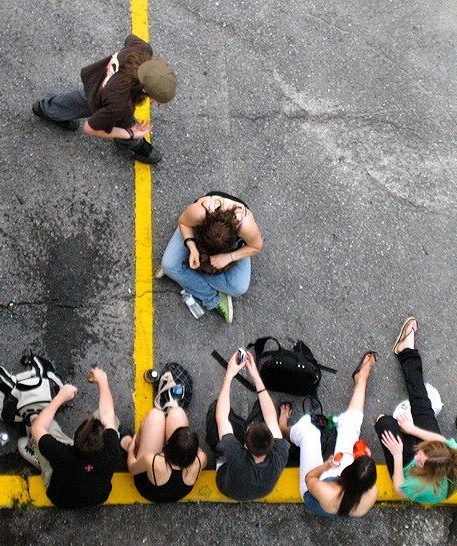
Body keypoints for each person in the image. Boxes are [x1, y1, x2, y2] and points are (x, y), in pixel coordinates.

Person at [32, 34, 176, 164]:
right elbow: (90, 128)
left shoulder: (143, 49)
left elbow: (129, 38)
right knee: (125, 123)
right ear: (144, 89)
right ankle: (131, 145)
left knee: (80, 100)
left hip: (97, 80)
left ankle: (46, 108)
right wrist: (131, 133)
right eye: (157, 99)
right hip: (106, 98)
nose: (158, 104)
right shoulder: (121, 105)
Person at [375, 317, 457, 505]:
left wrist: (398, 454)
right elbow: (442, 441)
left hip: (403, 462)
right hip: (426, 451)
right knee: (422, 404)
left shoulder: (425, 487)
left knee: (385, 423)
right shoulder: (452, 455)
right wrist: (412, 429)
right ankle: (407, 351)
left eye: (421, 460)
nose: (418, 455)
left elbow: (399, 490)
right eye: (422, 452)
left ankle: (388, 425)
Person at [281, 352, 379, 518]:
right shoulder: (371, 493)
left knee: (308, 432)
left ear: (345, 472)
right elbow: (357, 477)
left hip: (314, 490)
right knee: (351, 425)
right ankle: (361, 380)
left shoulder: (328, 493)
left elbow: (309, 478)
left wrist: (327, 465)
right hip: (343, 486)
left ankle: (284, 429)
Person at [159, 192, 263, 324]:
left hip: (225, 243)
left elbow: (255, 247)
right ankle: (212, 298)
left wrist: (229, 256)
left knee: (239, 288)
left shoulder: (246, 226)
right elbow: (184, 223)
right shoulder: (198, 213)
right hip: (196, 228)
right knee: (169, 265)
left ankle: (182, 270)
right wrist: (192, 246)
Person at [23, 367, 120, 509]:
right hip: (98, 497)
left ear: (75, 437)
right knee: (113, 420)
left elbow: (37, 428)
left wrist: (60, 397)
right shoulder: (112, 451)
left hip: (61, 499)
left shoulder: (62, 454)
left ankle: (42, 462)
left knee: (37, 421)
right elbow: (107, 413)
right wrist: (103, 381)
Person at [206, 350, 290, 501]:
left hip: (228, 486)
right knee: (268, 408)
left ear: (244, 445)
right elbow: (270, 417)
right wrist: (256, 377)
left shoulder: (236, 455)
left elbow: (221, 417)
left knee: (215, 409)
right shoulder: (280, 452)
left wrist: (229, 376)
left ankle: (219, 455)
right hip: (260, 490)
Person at [121, 407, 207, 503]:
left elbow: (132, 468)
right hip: (177, 492)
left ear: (167, 445)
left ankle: (128, 444)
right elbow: (200, 453)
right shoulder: (200, 459)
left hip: (150, 491)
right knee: (177, 412)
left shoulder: (152, 461)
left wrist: (131, 449)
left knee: (156, 415)